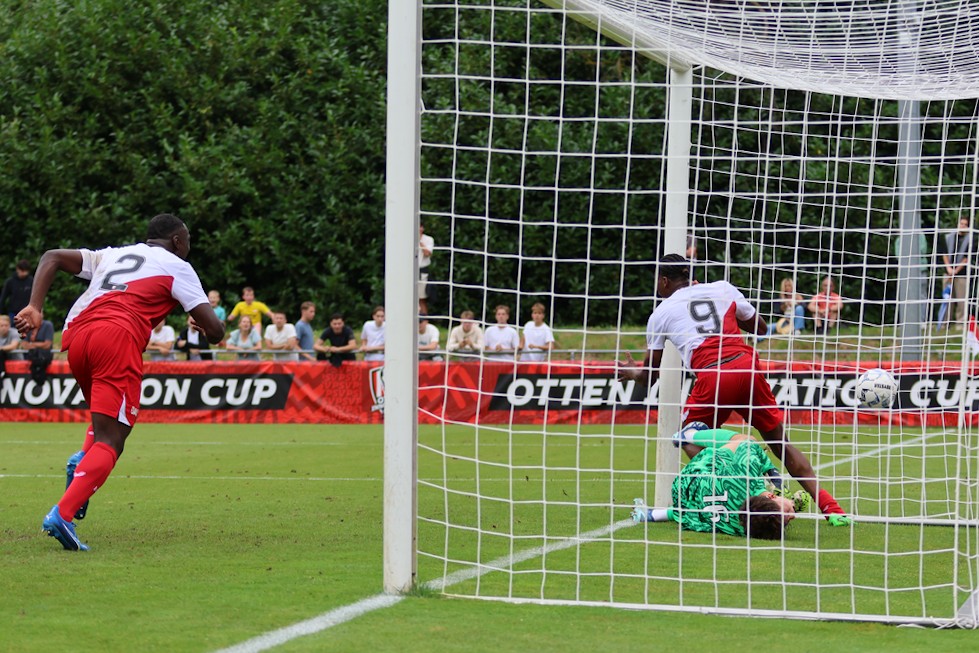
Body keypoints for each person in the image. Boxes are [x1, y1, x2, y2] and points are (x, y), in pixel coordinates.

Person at [14, 214, 225, 551]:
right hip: (117, 337)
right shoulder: (177, 266)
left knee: (103, 423)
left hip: (78, 335)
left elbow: (51, 256)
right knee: (113, 439)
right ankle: (62, 514)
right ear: (176, 241)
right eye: (187, 240)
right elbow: (215, 331)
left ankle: (82, 459)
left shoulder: (112, 254)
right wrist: (205, 325)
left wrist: (35, 306)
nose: (188, 247)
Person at [617, 254, 849, 526]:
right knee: (781, 443)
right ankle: (831, 508)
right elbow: (760, 328)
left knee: (687, 436)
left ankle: (748, 491)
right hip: (747, 366)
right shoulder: (722, 288)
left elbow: (649, 376)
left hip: (714, 374)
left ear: (665, 281)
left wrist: (630, 372)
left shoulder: (661, 314)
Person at [631, 425, 807, 539]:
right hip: (683, 497)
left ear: (770, 496)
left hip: (690, 476)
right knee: (705, 505)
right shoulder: (743, 527)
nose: (793, 515)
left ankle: (689, 434)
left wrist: (776, 481)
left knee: (747, 441)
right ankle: (653, 514)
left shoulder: (746, 472)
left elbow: (755, 452)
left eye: (787, 515)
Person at [941, 215, 973, 328]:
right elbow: (944, 253)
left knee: (961, 300)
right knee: (947, 298)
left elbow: (966, 258)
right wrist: (949, 269)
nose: (962, 226)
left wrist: (956, 270)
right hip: (948, 272)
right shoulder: (949, 237)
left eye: (965, 224)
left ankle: (960, 323)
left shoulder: (971, 239)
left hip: (962, 274)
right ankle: (945, 323)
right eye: (961, 223)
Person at [418, 224, 434, 314]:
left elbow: (427, 253)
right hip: (409, 271)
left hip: (422, 271)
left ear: (422, 228)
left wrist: (419, 241)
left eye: (420, 226)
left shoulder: (428, 239)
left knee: (421, 298)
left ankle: (424, 321)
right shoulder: (407, 238)